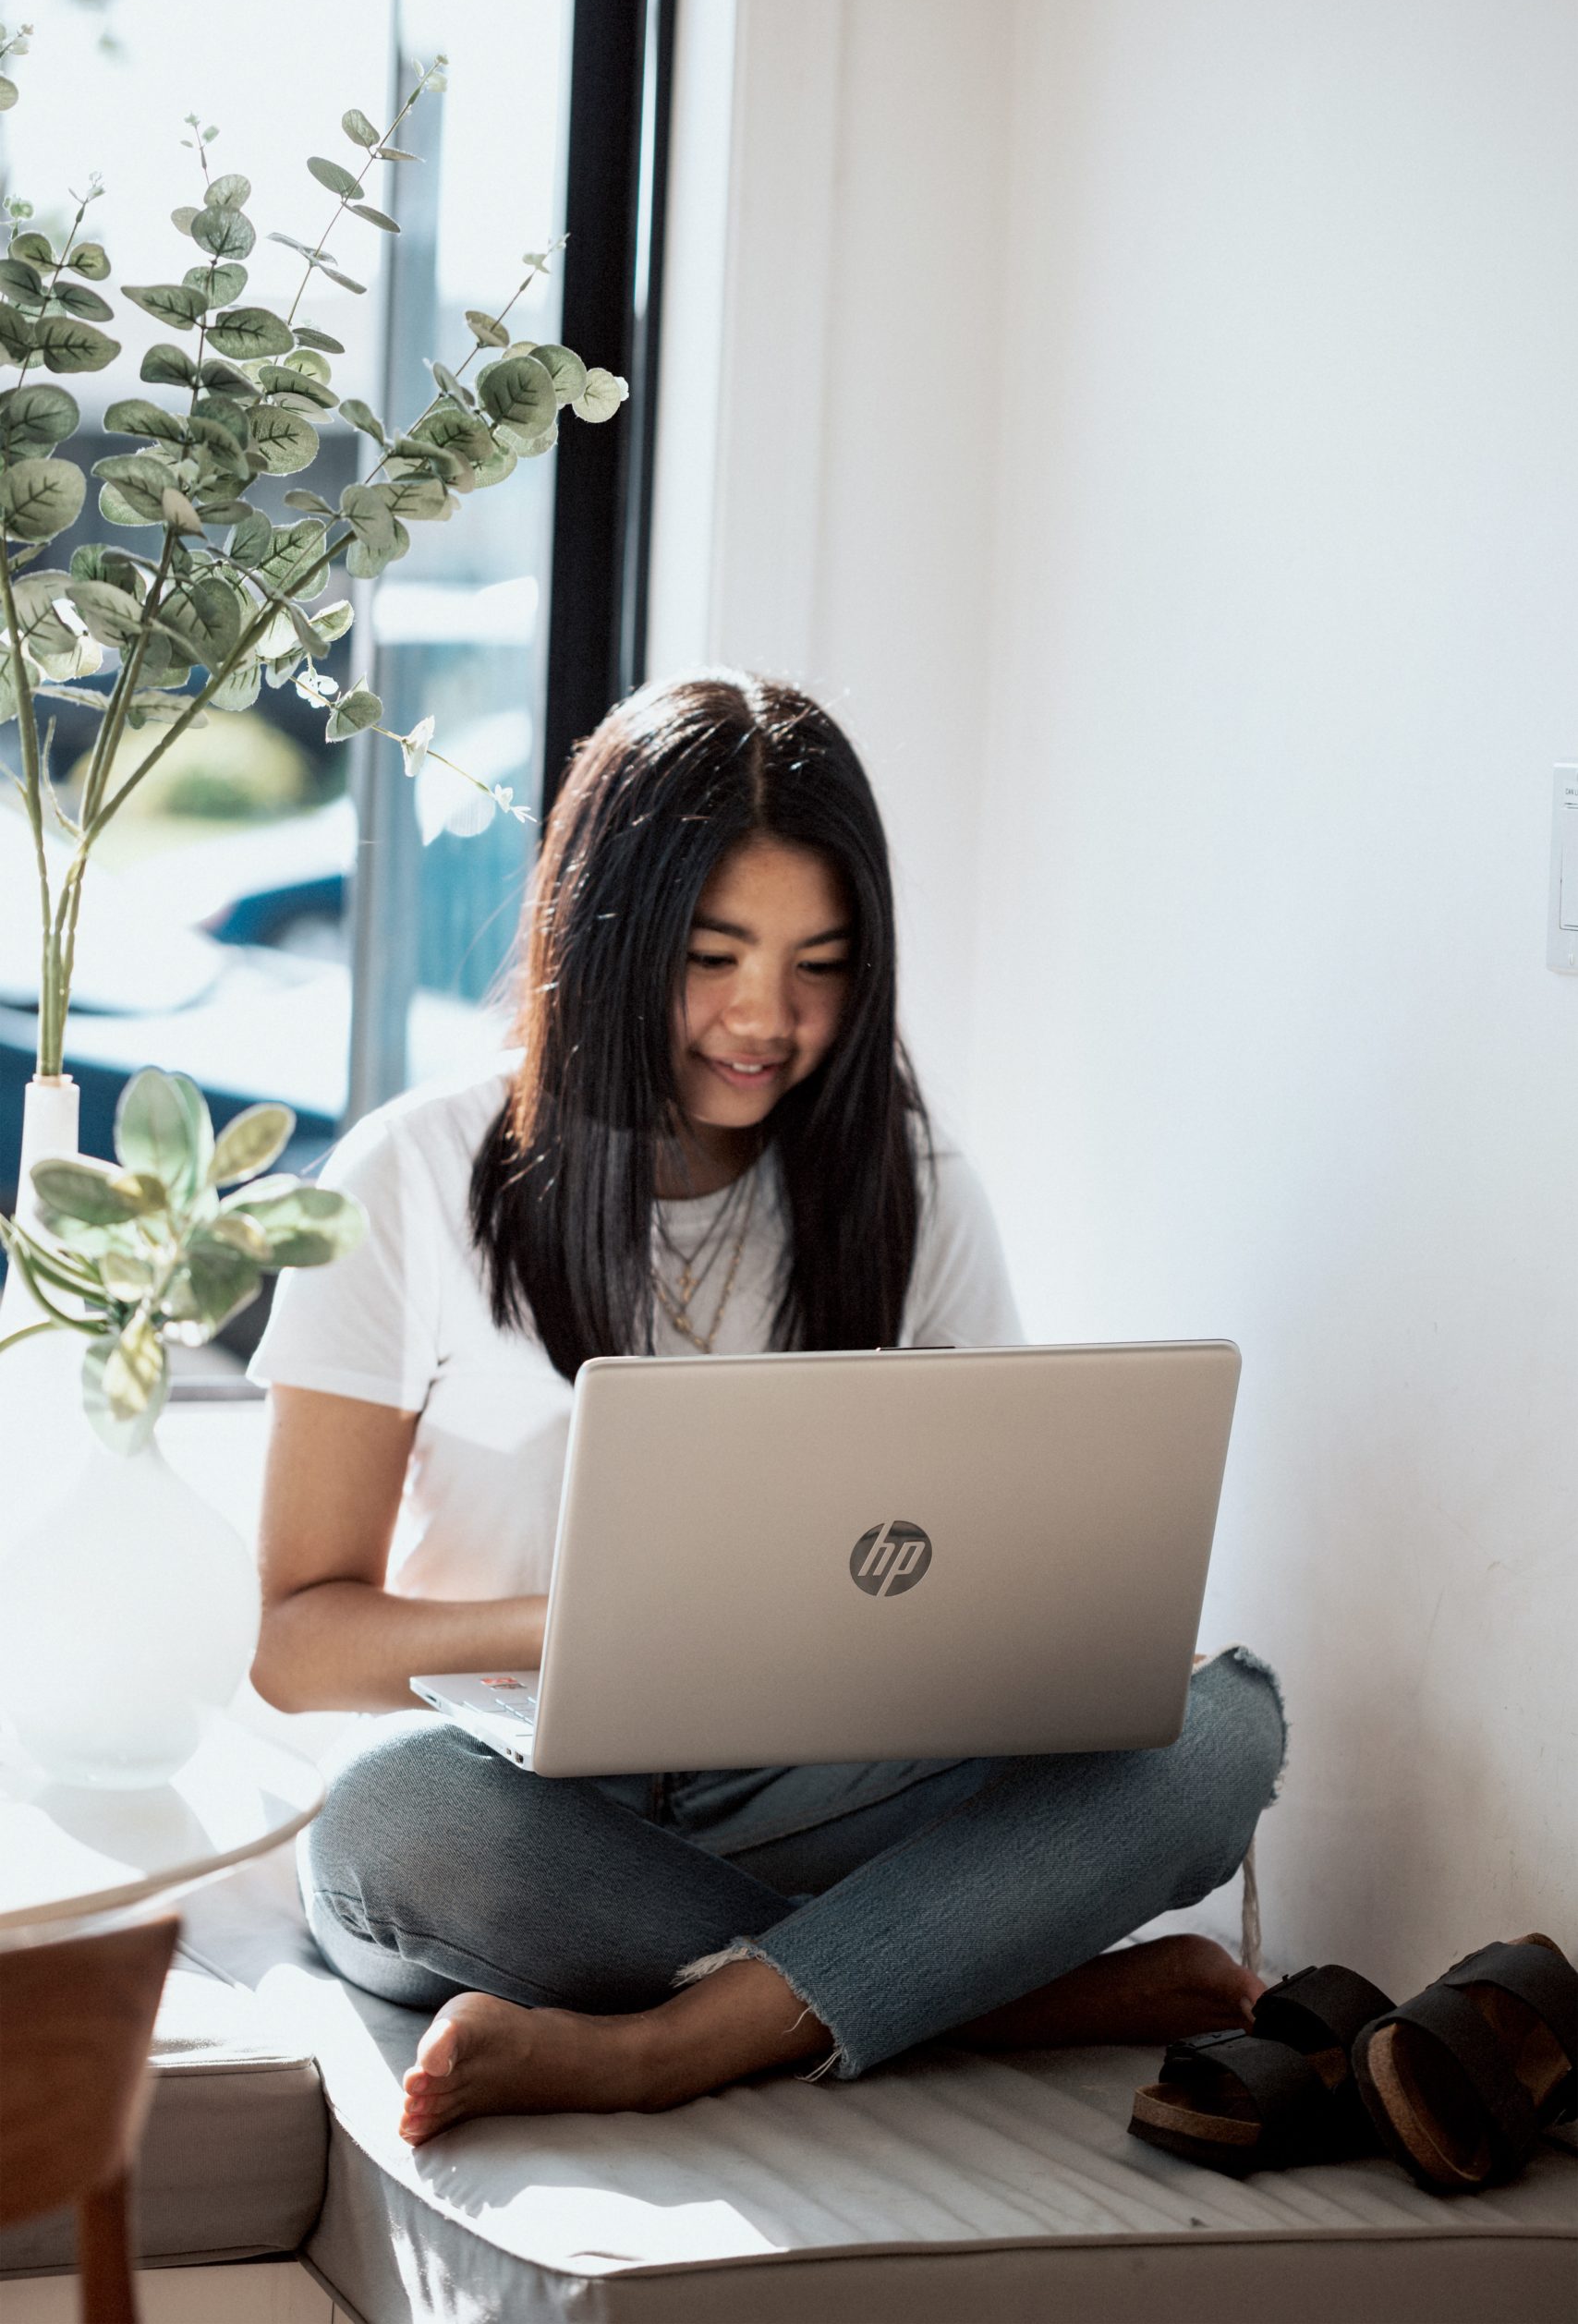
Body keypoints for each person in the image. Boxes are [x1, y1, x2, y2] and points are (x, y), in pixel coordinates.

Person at [250, 671, 1284, 2147]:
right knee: (391, 1830)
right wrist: (596, 1622)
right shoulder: (411, 1178)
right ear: (602, 942)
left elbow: (974, 1568)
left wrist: (1050, 1644)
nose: (764, 1017)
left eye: (821, 965)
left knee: (1222, 1719)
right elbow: (298, 1643)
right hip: (537, 1809)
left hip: (815, 1792)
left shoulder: (911, 1192)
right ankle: (976, 1982)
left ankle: (670, 2046)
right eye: (713, 955)